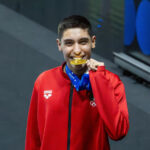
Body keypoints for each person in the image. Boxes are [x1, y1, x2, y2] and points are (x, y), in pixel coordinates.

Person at [25, 15, 129, 150]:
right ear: (59, 45)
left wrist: (99, 81)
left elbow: (118, 132)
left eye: (83, 42)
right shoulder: (44, 81)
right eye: (69, 43)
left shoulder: (111, 81)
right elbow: (33, 138)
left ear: (93, 42)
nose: (77, 50)